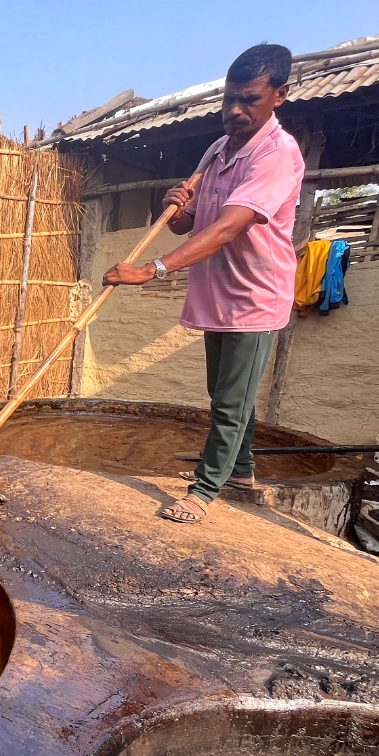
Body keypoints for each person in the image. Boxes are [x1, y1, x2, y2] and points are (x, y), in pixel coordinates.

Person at [102, 44, 305, 524]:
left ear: (280, 95)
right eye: (228, 99)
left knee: (231, 399)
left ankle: (204, 491)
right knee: (226, 393)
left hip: (255, 294)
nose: (233, 111)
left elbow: (229, 227)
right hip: (219, 290)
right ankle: (242, 472)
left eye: (248, 100)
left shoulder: (278, 153)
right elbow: (195, 223)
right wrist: (179, 208)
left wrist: (152, 271)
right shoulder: (217, 150)